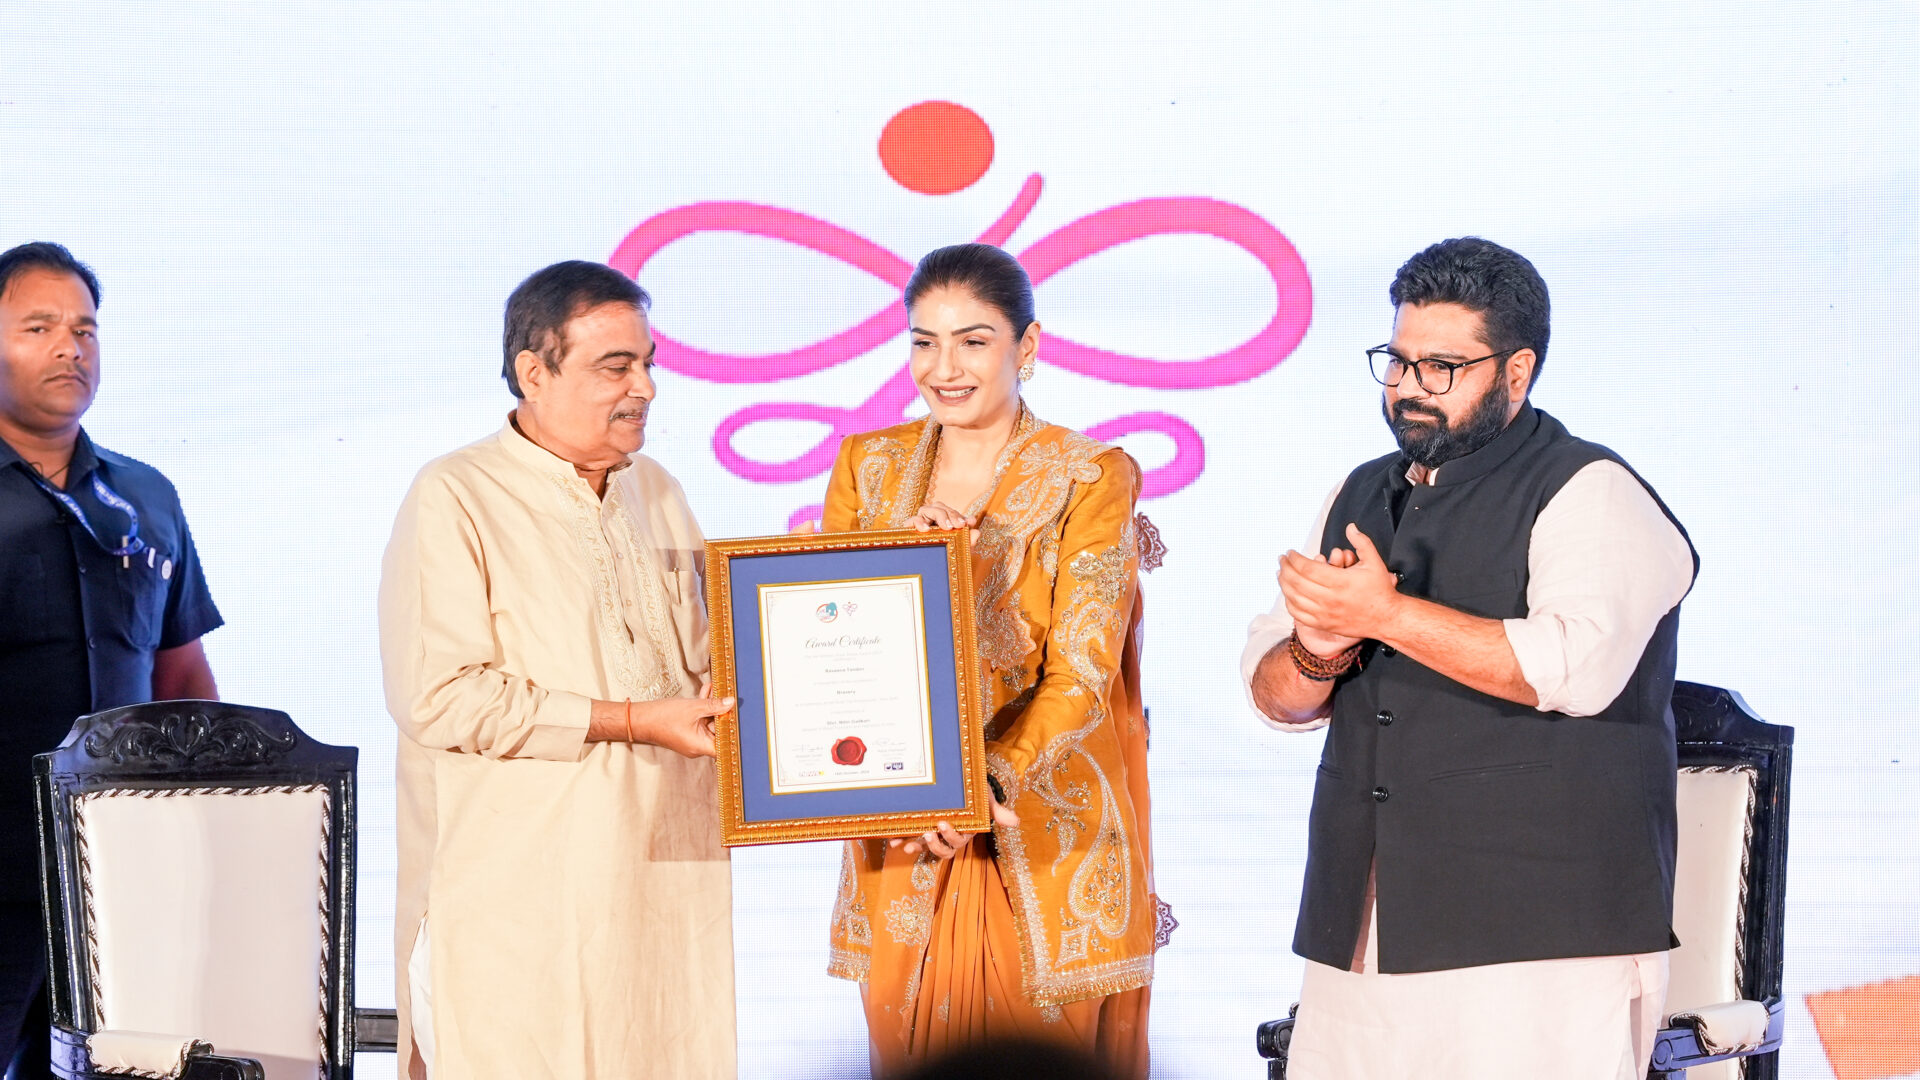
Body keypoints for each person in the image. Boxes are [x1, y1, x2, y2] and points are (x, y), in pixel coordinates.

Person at [1240, 237, 1697, 1079]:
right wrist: (1320, 650)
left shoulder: (1590, 489)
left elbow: (1572, 670)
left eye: (1443, 367)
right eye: (1398, 361)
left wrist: (1385, 613)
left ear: (1517, 372)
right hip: (1364, 928)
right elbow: (1275, 696)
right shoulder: (1360, 490)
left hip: (1539, 944)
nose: (1410, 387)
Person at [379, 261, 736, 1079]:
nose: (644, 387)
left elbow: (713, 663)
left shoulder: (661, 492)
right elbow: (437, 697)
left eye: (649, 364)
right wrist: (632, 720)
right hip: (521, 902)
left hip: (662, 892)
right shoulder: (456, 495)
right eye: (616, 366)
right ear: (532, 372)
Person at [818, 244, 1161, 1078]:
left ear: (1027, 348)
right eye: (922, 342)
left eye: (973, 341)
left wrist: (983, 784)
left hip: (1036, 821)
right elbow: (827, 644)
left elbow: (1081, 673)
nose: (944, 367)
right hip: (906, 827)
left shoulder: (1089, 475)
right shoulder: (869, 465)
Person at [0, 242, 222, 1080]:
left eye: (86, 329)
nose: (71, 347)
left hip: (114, 883)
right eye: (40, 326)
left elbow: (182, 678)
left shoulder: (146, 496)